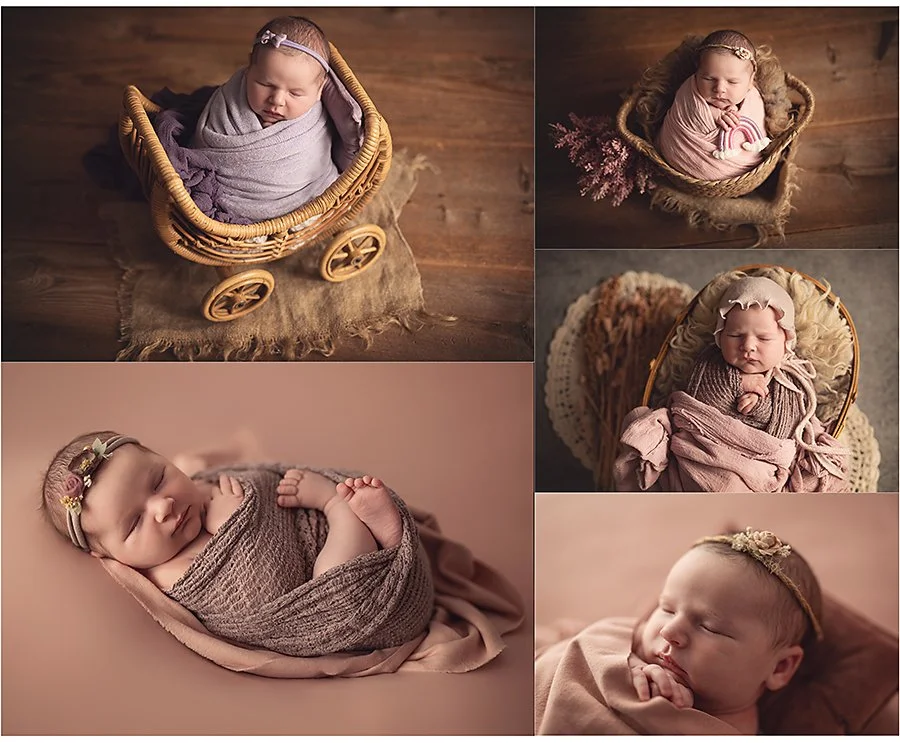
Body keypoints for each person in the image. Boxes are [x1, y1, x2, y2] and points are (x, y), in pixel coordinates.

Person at [40, 431, 404, 592]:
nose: (164, 506)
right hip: (319, 582)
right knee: (334, 578)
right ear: (105, 554)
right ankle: (339, 506)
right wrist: (235, 525)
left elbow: (254, 480)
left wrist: (252, 486)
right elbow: (261, 590)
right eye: (135, 522)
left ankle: (379, 534)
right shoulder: (166, 573)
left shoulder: (194, 487)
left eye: (158, 480)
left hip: (306, 528)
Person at [614, 275, 849, 492]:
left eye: (764, 338)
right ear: (719, 337)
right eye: (736, 336)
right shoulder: (711, 364)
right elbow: (700, 406)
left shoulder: (794, 380)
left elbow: (787, 429)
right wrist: (740, 383)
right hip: (706, 454)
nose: (748, 346)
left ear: (786, 341)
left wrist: (760, 407)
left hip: (761, 466)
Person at [657, 29, 772, 180]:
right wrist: (713, 113)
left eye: (732, 82)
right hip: (681, 157)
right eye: (709, 79)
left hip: (740, 169)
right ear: (697, 73)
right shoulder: (688, 91)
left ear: (751, 82)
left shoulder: (753, 98)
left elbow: (756, 121)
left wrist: (736, 110)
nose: (719, 89)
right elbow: (687, 109)